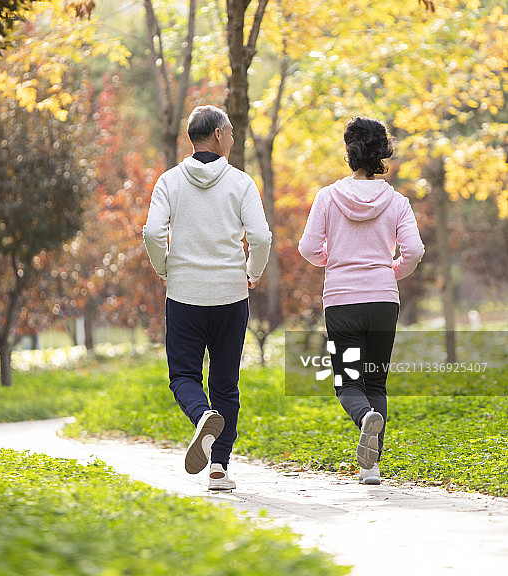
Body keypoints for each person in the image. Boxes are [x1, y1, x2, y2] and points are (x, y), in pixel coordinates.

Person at [143, 105, 271, 490]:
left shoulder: (169, 182)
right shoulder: (241, 183)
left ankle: (201, 417)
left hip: (184, 296)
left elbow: (151, 232)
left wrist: (166, 269)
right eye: (230, 132)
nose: (233, 138)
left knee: (183, 375)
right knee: (226, 384)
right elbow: (262, 237)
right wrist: (253, 272)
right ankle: (218, 468)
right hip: (231, 296)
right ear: (217, 135)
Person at [298, 116, 424, 486]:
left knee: (349, 383)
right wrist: (391, 271)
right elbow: (414, 250)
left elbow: (307, 248)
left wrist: (335, 262)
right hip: (384, 300)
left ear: (349, 151)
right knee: (377, 382)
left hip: (341, 301)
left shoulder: (327, 196)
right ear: (383, 152)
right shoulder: (397, 201)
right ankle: (372, 467)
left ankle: (363, 418)